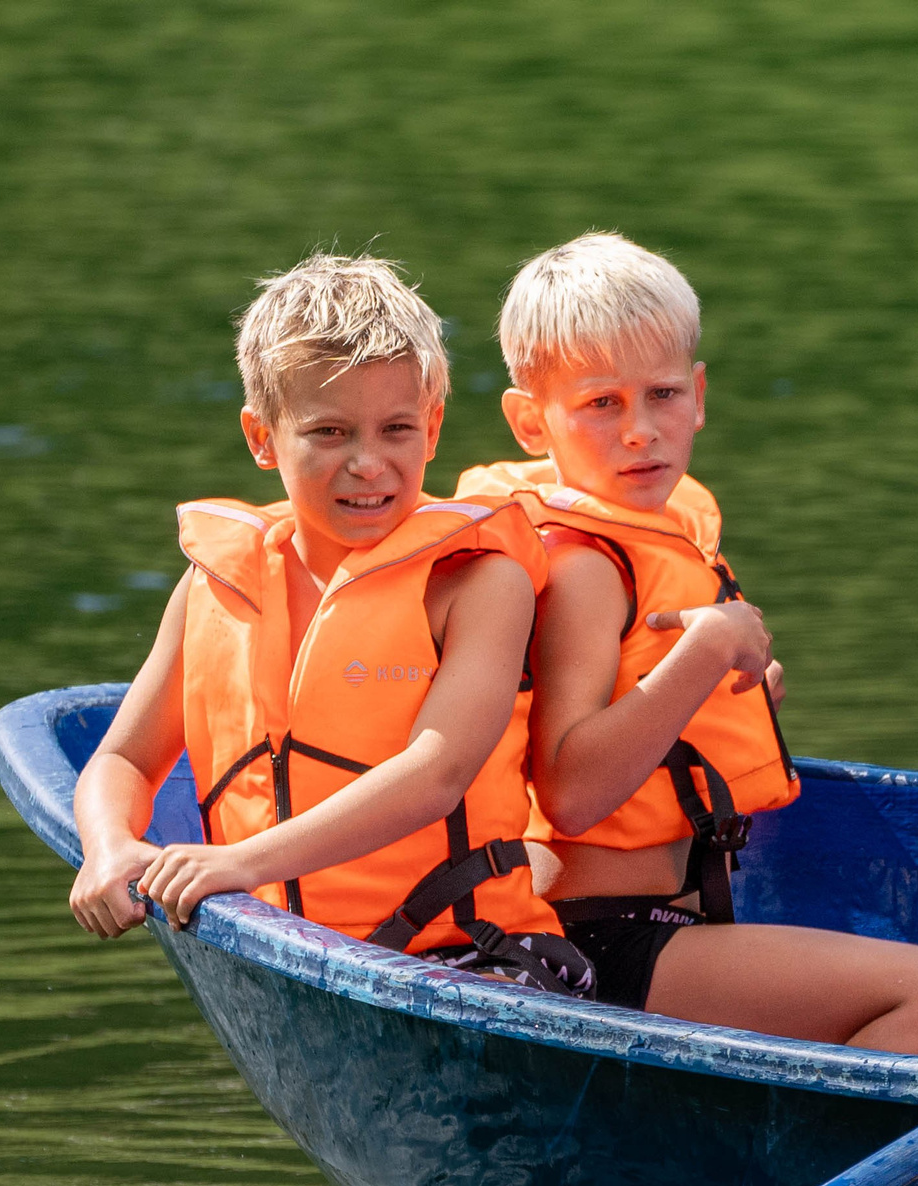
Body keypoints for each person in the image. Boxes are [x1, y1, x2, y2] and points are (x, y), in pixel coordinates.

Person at [456, 233, 918, 1058]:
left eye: (663, 394)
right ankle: (817, 1153)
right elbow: (570, 791)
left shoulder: (654, 537)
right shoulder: (583, 566)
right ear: (530, 421)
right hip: (597, 939)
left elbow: (644, 712)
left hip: (672, 923)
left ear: (700, 395)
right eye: (601, 403)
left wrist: (721, 698)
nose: (640, 430)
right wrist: (707, 653)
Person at [68, 252, 591, 994]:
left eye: (396, 429)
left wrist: (241, 862)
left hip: (471, 953)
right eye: (330, 432)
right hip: (277, 947)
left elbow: (438, 775)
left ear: (433, 428)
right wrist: (109, 845)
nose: (368, 463)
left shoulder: (477, 581)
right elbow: (123, 759)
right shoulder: (213, 585)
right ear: (261, 437)